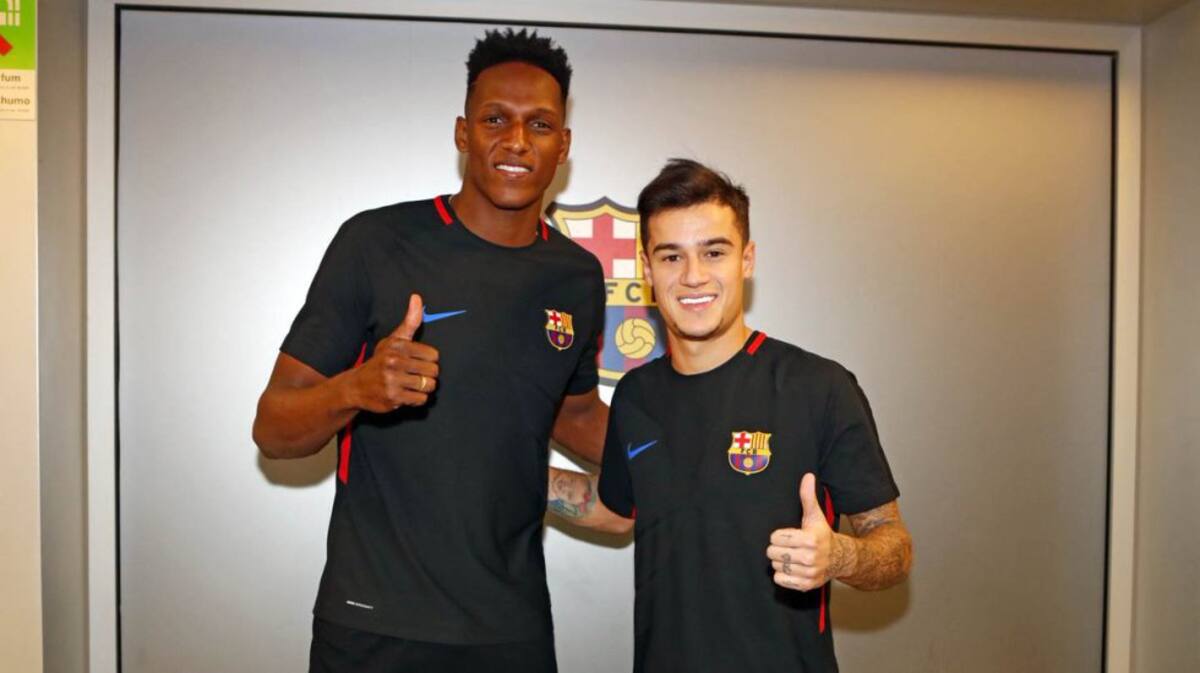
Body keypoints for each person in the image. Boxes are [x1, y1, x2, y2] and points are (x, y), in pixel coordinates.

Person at [252, 28, 608, 673]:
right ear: (463, 133)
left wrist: (683, 455)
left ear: (563, 145)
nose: (517, 141)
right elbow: (273, 429)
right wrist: (357, 388)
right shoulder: (375, 242)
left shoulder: (577, 276)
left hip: (511, 626)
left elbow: (576, 414)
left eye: (539, 124)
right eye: (495, 119)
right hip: (374, 622)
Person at [546, 159, 913, 673]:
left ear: (747, 259)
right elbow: (617, 508)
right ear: (647, 271)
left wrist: (840, 557)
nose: (693, 276)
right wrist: (511, 472)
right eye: (671, 256)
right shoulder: (635, 396)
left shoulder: (818, 387)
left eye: (713, 252)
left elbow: (894, 547)